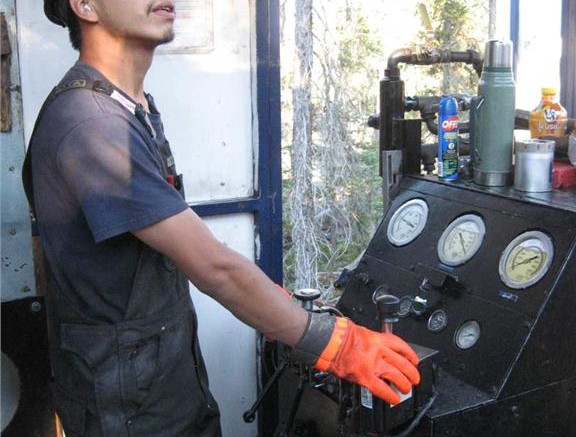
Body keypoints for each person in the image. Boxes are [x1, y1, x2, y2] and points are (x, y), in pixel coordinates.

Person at [23, 1, 421, 436]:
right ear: (85, 6)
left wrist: (278, 305)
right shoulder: (91, 122)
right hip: (127, 405)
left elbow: (164, 247)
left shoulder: (126, 105)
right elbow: (214, 268)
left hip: (157, 378)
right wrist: (336, 346)